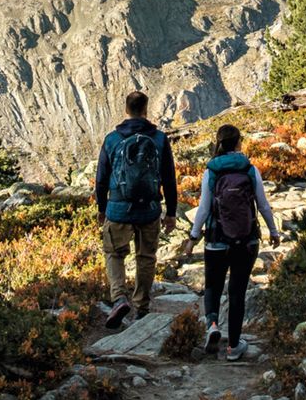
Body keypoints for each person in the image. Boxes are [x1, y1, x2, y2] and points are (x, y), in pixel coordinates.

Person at [187, 124, 280, 360]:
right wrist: (273, 231)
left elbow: (204, 209)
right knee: (237, 291)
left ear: (217, 143)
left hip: (216, 239)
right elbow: (263, 205)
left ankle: (213, 325)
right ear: (239, 142)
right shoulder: (250, 170)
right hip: (245, 240)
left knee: (213, 286)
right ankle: (234, 347)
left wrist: (193, 237)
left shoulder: (211, 172)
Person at [94, 91, 177, 330]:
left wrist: (102, 207)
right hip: (149, 209)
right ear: (146, 110)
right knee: (146, 257)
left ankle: (119, 297)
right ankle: (141, 307)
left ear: (126, 110)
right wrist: (171, 212)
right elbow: (169, 179)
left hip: (118, 207)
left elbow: (101, 178)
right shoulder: (160, 139)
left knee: (114, 254)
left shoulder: (112, 139)